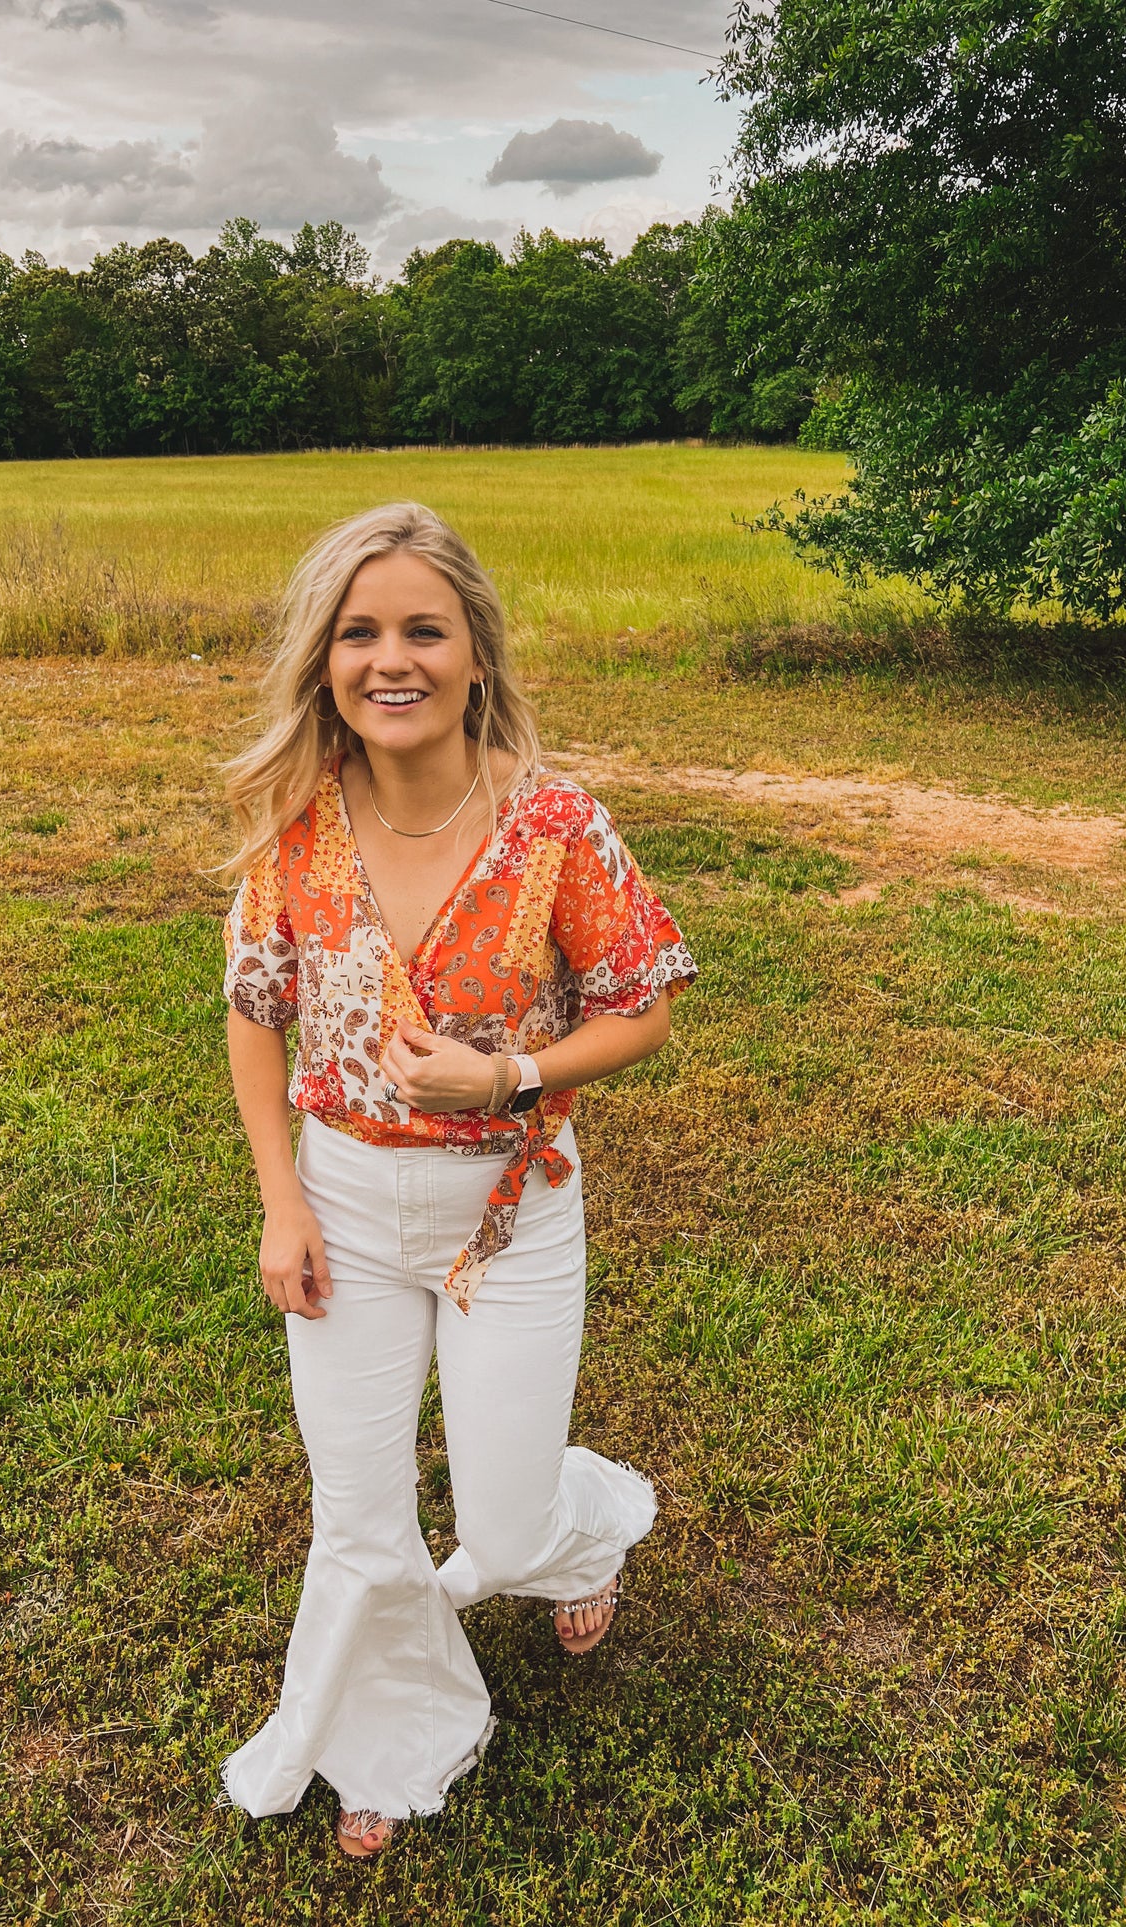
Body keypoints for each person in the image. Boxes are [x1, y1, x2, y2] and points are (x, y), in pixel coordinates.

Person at [219, 501, 696, 1858]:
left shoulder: (554, 824)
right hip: (346, 1215)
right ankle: (396, 1737)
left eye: (422, 628)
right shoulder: (292, 828)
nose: (391, 658)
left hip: (509, 1216)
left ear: (474, 652)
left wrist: (505, 1079)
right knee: (361, 1518)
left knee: (498, 1517)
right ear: (324, 661)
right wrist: (282, 1203)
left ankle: (584, 1526)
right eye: (358, 632)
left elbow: (640, 1007)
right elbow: (258, 1015)